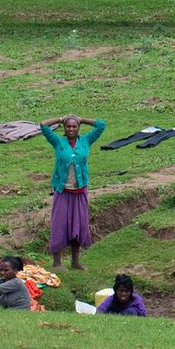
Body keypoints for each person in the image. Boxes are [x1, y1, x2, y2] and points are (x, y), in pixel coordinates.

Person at [40, 115, 106, 270]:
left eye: (74, 126)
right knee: (59, 225)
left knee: (79, 225)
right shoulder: (58, 142)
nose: (71, 129)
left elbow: (101, 125)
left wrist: (82, 119)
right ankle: (57, 263)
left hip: (80, 192)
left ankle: (75, 262)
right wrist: (60, 119)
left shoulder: (86, 141)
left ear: (78, 128)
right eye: (68, 126)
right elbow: (43, 125)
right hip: (62, 192)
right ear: (64, 128)